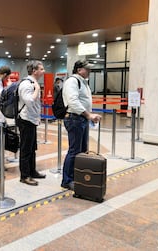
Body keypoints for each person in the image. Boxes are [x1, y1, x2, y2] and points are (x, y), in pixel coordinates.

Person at [61, 60, 102, 190]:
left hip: (81, 119)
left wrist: (89, 115)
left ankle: (77, 176)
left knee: (82, 150)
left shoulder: (83, 82)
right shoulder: (72, 81)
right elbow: (73, 102)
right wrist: (88, 115)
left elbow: (83, 101)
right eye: (87, 69)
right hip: (74, 119)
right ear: (79, 70)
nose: (89, 71)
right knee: (74, 150)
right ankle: (67, 180)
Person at [17, 61, 47, 186]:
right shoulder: (26, 84)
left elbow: (35, 105)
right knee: (25, 149)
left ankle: (32, 171)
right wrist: (37, 89)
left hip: (32, 120)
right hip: (25, 120)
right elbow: (29, 101)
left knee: (32, 148)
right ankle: (24, 176)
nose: (43, 71)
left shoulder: (32, 83)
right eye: (41, 69)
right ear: (34, 71)